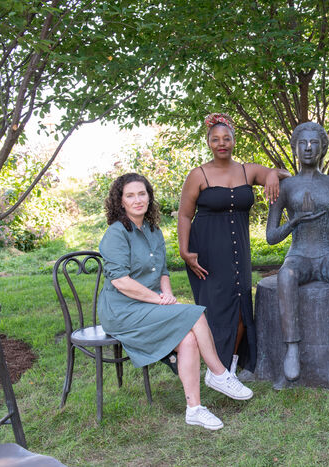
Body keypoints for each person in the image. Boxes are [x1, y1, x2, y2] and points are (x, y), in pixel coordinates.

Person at [98, 173, 253, 430]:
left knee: (189, 339)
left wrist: (168, 295)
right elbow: (121, 282)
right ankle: (218, 373)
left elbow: (162, 272)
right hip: (121, 310)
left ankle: (194, 409)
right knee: (194, 314)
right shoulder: (116, 234)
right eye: (130, 195)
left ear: (149, 197)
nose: (137, 200)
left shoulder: (153, 230)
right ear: (120, 202)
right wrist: (160, 300)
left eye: (142, 194)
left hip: (148, 303)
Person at [177, 113, 289, 376]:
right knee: (214, 309)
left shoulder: (247, 170)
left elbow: (283, 173)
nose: (221, 143)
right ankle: (217, 366)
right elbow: (184, 214)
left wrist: (272, 174)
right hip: (206, 250)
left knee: (240, 308)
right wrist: (184, 251)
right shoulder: (198, 174)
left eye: (226, 138)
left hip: (239, 250)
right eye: (215, 139)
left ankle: (229, 365)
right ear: (208, 143)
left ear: (234, 141)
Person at [265, 121, 329, 381]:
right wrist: (296, 219)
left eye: (314, 143)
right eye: (302, 143)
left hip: (327, 253)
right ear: (295, 148)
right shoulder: (286, 188)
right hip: (298, 255)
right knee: (286, 276)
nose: (308, 148)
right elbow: (271, 237)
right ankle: (292, 348)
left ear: (322, 150)